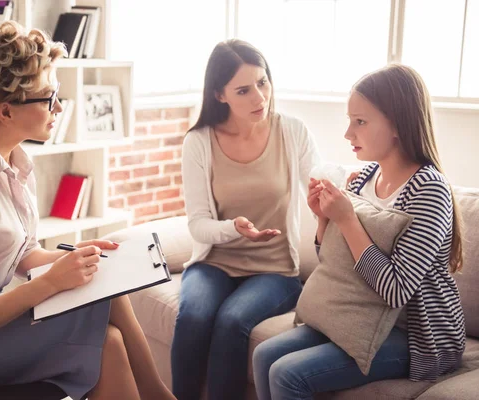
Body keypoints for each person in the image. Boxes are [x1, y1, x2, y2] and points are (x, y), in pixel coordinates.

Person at [0, 21, 175, 400]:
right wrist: (49, 282)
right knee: (104, 342)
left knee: (103, 283)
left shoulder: (16, 164)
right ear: (6, 111)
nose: (58, 107)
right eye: (48, 98)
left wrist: (73, 259)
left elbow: (19, 251)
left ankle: (159, 394)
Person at [252, 64, 466, 400]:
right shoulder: (365, 177)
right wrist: (323, 221)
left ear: (397, 124)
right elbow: (338, 265)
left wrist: (348, 220)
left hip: (418, 336)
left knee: (287, 374)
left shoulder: (429, 190)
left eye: (360, 122)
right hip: (360, 315)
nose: (348, 134)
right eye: (350, 120)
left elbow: (396, 290)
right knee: (264, 354)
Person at [173, 39, 321, 400]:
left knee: (231, 321)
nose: (259, 97)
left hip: (274, 270)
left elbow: (319, 188)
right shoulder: (199, 142)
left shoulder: (292, 131)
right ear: (219, 95)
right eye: (244, 89)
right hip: (214, 263)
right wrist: (233, 228)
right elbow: (197, 223)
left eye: (263, 82)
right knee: (192, 319)